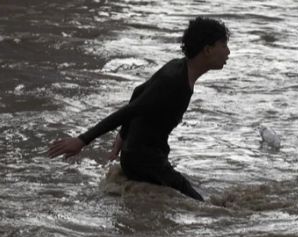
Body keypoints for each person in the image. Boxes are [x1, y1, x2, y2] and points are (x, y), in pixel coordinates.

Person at [48, 17, 231, 201]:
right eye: (223, 46)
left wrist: (123, 134)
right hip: (143, 160)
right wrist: (82, 140)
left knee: (190, 191)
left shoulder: (178, 67)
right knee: (200, 204)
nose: (228, 52)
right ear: (207, 50)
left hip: (144, 155)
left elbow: (138, 92)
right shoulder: (174, 81)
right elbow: (130, 110)